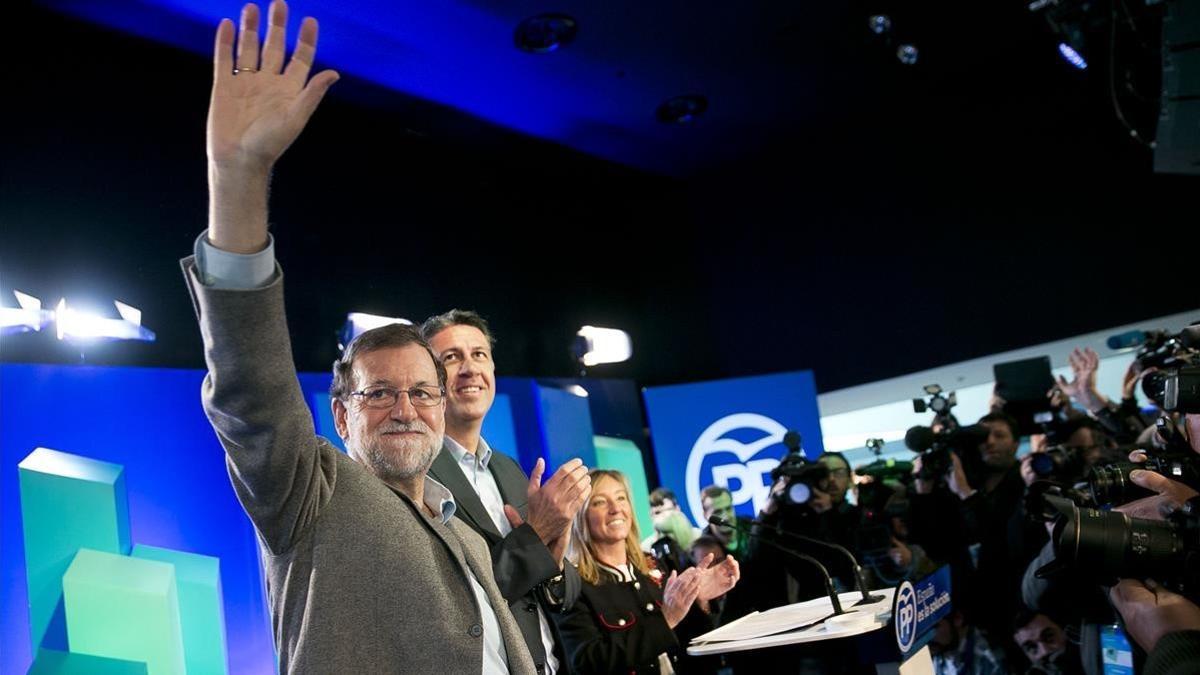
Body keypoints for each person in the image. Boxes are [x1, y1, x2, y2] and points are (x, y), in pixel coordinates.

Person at [188, 2, 533, 671]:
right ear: (342, 414)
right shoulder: (309, 493)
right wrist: (238, 175)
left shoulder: (462, 528)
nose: (406, 407)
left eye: (421, 392)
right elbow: (251, 386)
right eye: (380, 393)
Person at [422, 309, 590, 674]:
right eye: (451, 358)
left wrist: (557, 563)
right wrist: (537, 537)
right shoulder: (419, 478)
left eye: (479, 354)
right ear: (425, 379)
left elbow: (566, 596)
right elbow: (456, 602)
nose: (469, 368)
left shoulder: (509, 469)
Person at [554, 470, 740, 674]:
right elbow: (586, 663)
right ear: (582, 516)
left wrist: (699, 601)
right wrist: (666, 619)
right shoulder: (572, 586)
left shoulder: (655, 565)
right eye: (600, 502)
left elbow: (691, 641)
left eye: (621, 498)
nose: (616, 508)